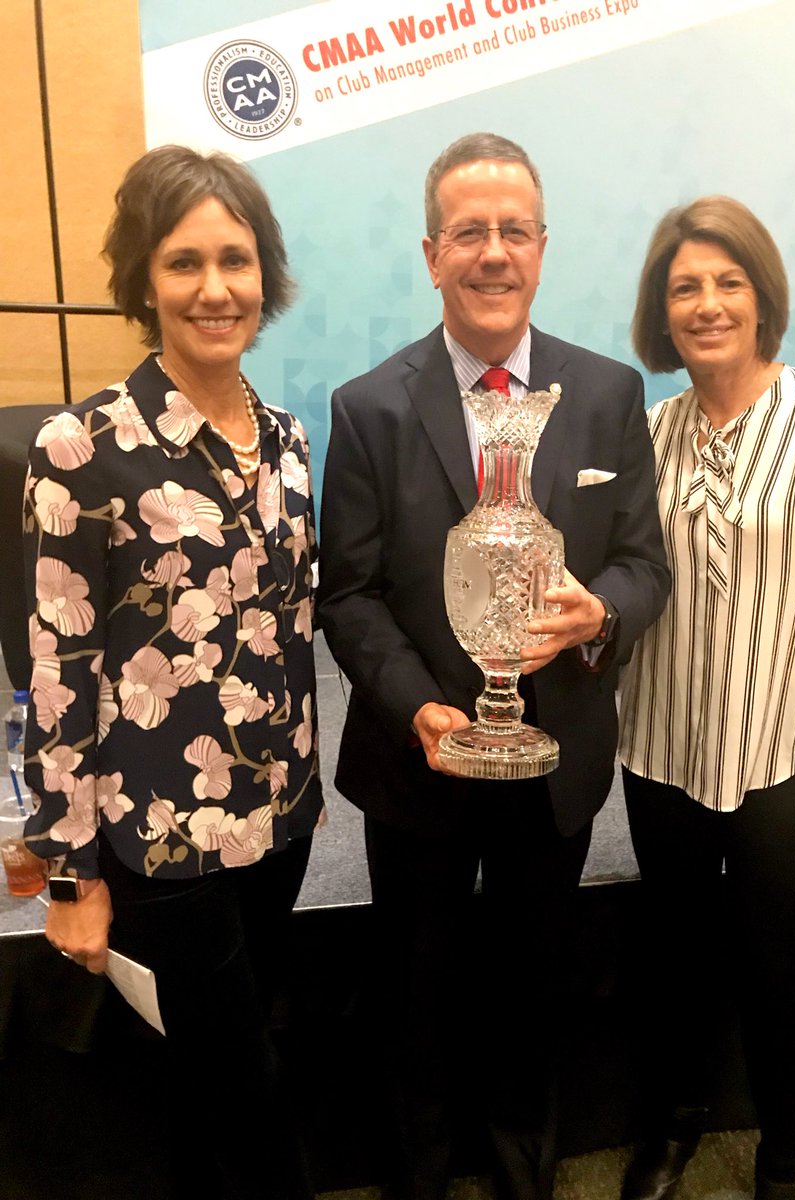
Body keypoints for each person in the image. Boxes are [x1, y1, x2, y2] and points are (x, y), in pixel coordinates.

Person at [316, 131, 670, 1200]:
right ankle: (419, 1172)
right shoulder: (369, 407)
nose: (494, 251)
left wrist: (598, 614)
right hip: (416, 755)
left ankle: (523, 1164)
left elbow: (643, 563)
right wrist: (420, 708)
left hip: (555, 752)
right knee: (412, 988)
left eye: (515, 229)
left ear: (543, 248)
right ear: (432, 255)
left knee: (532, 982)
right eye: (469, 231)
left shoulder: (607, 393)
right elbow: (350, 592)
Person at [22, 145, 323, 1200]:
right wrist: (68, 877)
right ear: (143, 281)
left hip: (283, 818)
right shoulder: (79, 446)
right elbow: (56, 674)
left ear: (264, 274)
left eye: (235, 260)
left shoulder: (287, 441)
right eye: (183, 262)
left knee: (205, 1083)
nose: (215, 288)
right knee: (250, 1091)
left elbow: (292, 629)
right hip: (163, 836)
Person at [617, 195, 795, 1200]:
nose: (707, 304)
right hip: (660, 751)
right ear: (662, 311)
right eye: (685, 287)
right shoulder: (648, 434)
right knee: (676, 962)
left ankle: (786, 1158)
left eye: (728, 282)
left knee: (778, 971)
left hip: (784, 755)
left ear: (762, 296)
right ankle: (673, 1130)